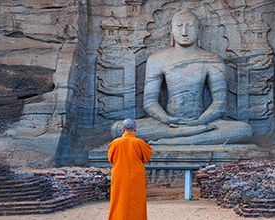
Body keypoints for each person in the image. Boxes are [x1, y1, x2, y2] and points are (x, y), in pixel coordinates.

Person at [127, 8, 252, 145]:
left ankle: (173, 141)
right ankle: (188, 136)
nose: (184, 32)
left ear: (199, 30)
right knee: (119, 129)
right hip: (168, 124)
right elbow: (149, 102)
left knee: (243, 130)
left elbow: (220, 103)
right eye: (179, 26)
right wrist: (166, 119)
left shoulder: (212, 59)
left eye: (190, 26)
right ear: (171, 30)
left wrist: (201, 121)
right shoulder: (157, 59)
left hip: (202, 121)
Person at [108, 118, 153, 220]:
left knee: (119, 199)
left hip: (119, 175)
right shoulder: (140, 143)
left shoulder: (115, 143)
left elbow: (111, 159)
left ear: (123, 129)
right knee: (137, 201)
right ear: (135, 129)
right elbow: (147, 157)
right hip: (136, 176)